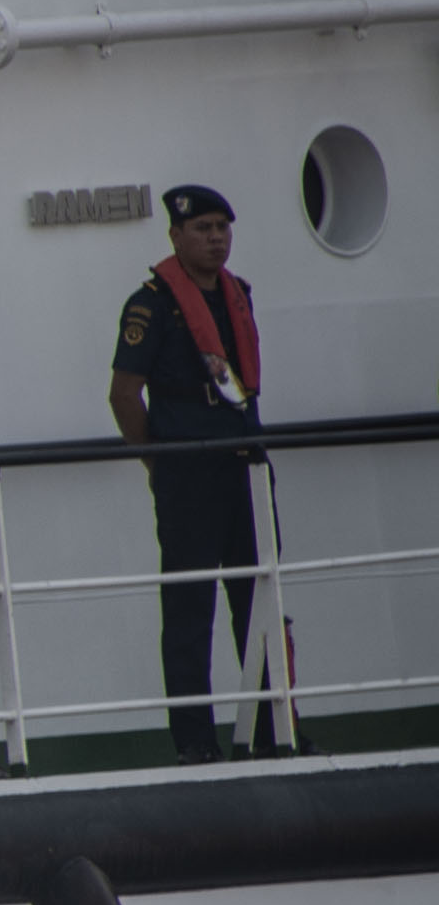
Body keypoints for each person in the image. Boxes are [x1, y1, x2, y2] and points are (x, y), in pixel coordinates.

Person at [110, 186, 280, 761]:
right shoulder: (151, 305)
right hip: (187, 468)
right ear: (176, 236)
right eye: (203, 228)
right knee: (189, 609)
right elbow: (125, 393)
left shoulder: (240, 296)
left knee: (258, 599)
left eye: (222, 228)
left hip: (245, 464)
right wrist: (155, 459)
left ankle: (273, 727)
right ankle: (194, 740)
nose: (215, 238)